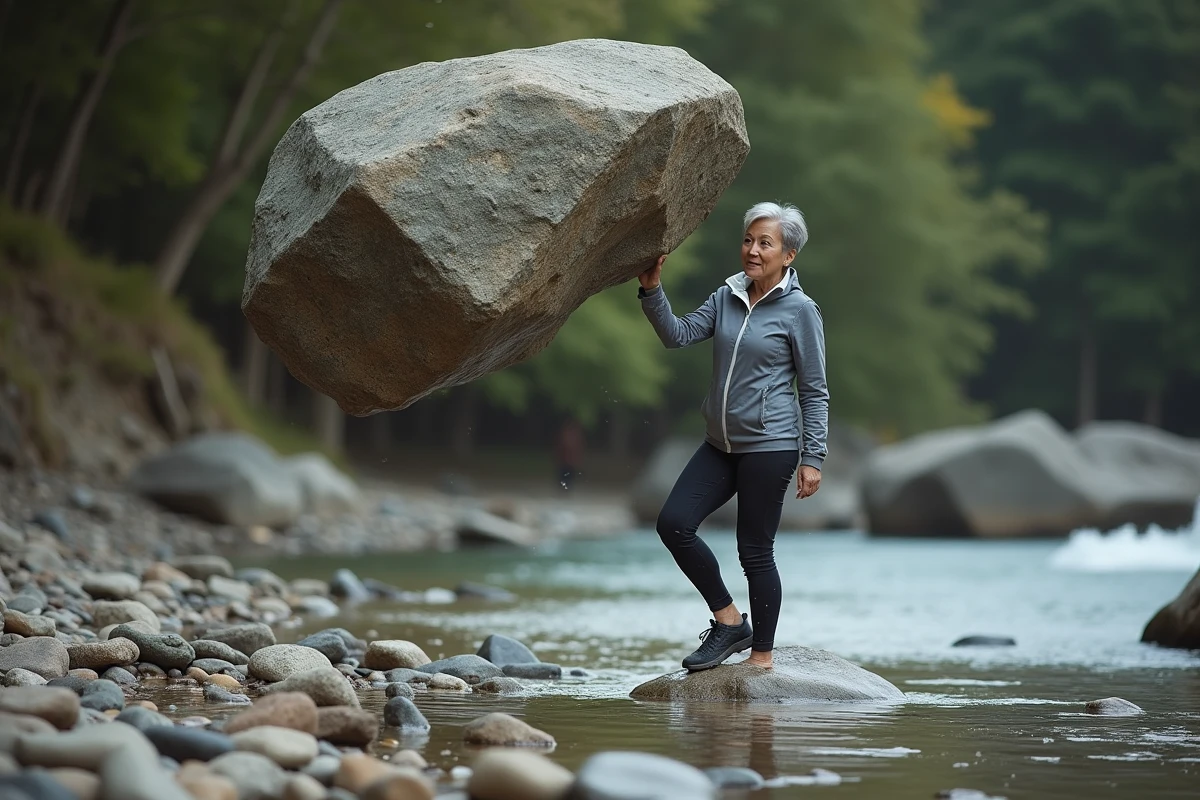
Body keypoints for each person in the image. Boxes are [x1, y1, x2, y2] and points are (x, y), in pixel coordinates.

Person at [637, 201, 829, 671]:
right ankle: (728, 623)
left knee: (754, 551)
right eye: (748, 240)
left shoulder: (801, 311)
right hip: (719, 444)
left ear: (789, 256)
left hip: (772, 446)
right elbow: (678, 335)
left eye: (766, 243)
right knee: (673, 524)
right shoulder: (727, 296)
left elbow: (815, 388)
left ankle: (761, 657)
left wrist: (813, 457)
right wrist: (651, 290)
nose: (753, 250)